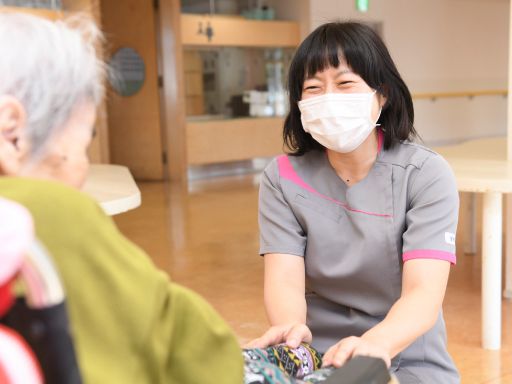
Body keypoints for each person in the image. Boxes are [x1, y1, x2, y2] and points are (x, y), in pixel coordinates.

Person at [0, 12, 243, 384]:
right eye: (82, 145)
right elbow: (191, 347)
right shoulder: (44, 211)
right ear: (12, 132)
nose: (83, 168)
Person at [247, 22, 460, 383]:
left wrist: (375, 345)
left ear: (383, 94)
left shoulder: (425, 174)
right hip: (316, 355)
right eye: (313, 88)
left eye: (345, 83)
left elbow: (425, 291)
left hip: (405, 354)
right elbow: (283, 278)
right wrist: (291, 331)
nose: (328, 97)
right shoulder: (282, 177)